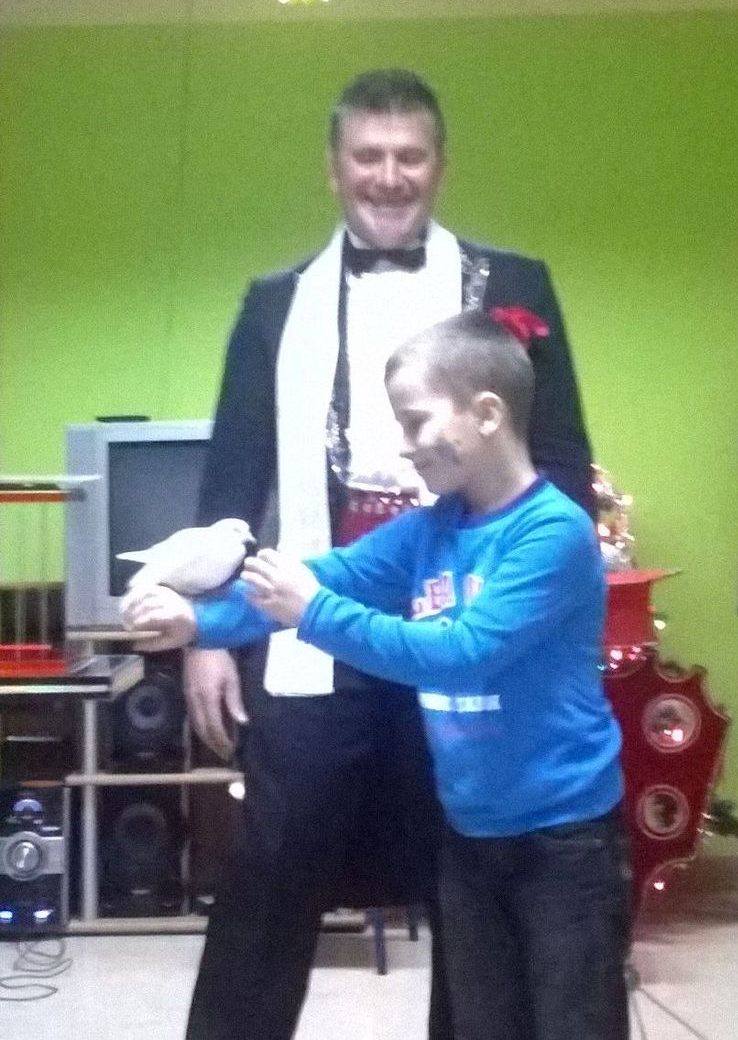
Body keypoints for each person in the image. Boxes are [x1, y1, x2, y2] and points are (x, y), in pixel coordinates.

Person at [184, 69, 595, 1039]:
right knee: (271, 867)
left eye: (409, 156)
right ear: (334, 168)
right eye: (368, 156)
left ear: (440, 166)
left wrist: (533, 604)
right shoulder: (274, 303)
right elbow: (233, 475)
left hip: (464, 605)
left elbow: (563, 456)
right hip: (314, 611)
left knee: (469, 873)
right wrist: (205, 635)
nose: (389, 175)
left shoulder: (513, 284)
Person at [126, 312, 628, 1040]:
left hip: (565, 842)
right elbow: (330, 575)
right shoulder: (433, 528)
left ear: (488, 414)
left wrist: (313, 613)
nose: (404, 444)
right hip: (470, 835)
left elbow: (462, 652)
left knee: (573, 1025)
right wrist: (199, 622)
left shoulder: (554, 532)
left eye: (416, 421)